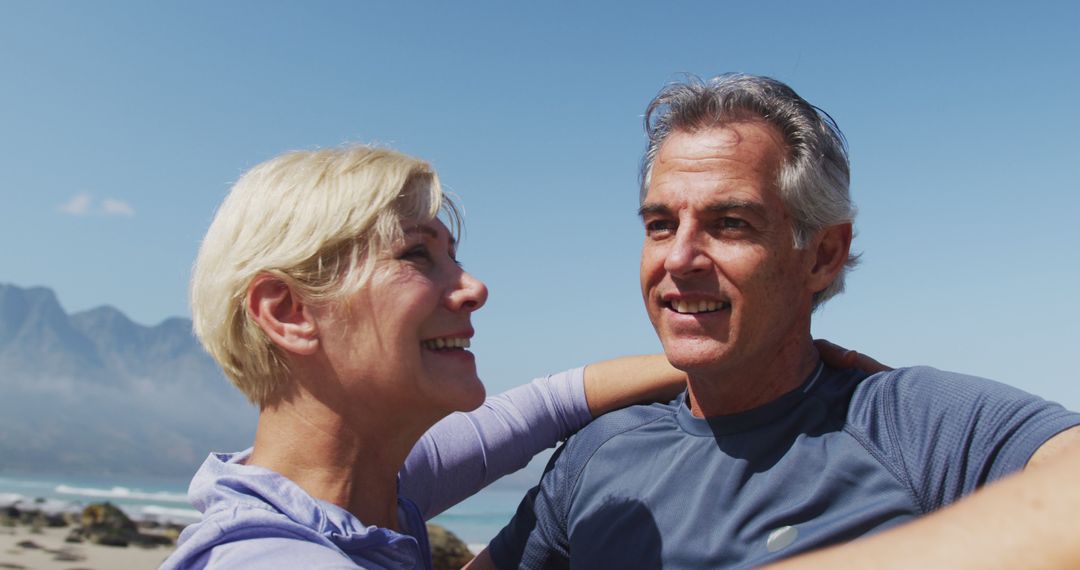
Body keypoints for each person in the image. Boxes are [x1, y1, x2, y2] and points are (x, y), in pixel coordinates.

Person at [474, 74, 1080, 569]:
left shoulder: (909, 423)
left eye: (731, 223)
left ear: (822, 255)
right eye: (660, 225)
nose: (679, 258)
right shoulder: (597, 454)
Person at [160, 146, 692, 569]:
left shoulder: (369, 491)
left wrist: (720, 361)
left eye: (454, 257)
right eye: (416, 254)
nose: (475, 288)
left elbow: (550, 403)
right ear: (289, 311)